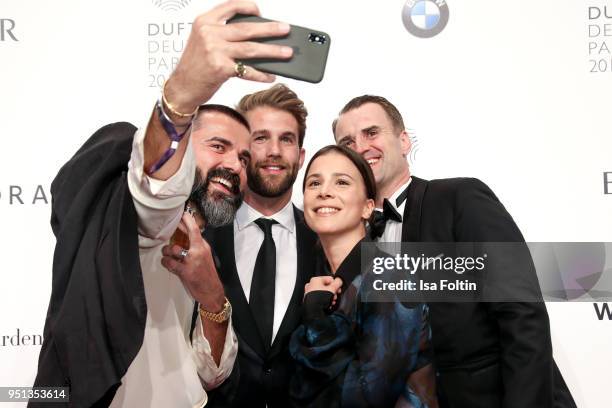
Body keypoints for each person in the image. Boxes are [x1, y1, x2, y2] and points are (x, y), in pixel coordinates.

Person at [31, 1, 295, 407]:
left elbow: (211, 375)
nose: (233, 166)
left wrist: (210, 298)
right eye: (218, 147)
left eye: (244, 159)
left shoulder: (207, 251)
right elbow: (155, 191)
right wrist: (181, 98)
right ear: (186, 151)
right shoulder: (135, 220)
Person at [332, 95, 576, 408]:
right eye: (347, 142)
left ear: (404, 141)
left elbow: (522, 314)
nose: (361, 147)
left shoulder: (457, 199)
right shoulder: (347, 239)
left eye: (372, 133)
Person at [289, 145, 438, 408]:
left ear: (368, 207)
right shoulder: (321, 280)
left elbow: (367, 398)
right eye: (314, 183)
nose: (324, 191)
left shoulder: (389, 276)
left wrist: (315, 321)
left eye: (342, 182)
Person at [204, 84, 318, 407]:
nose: (274, 151)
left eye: (287, 139)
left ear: (301, 154)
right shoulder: (202, 235)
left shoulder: (324, 242)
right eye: (261, 138)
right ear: (241, 152)